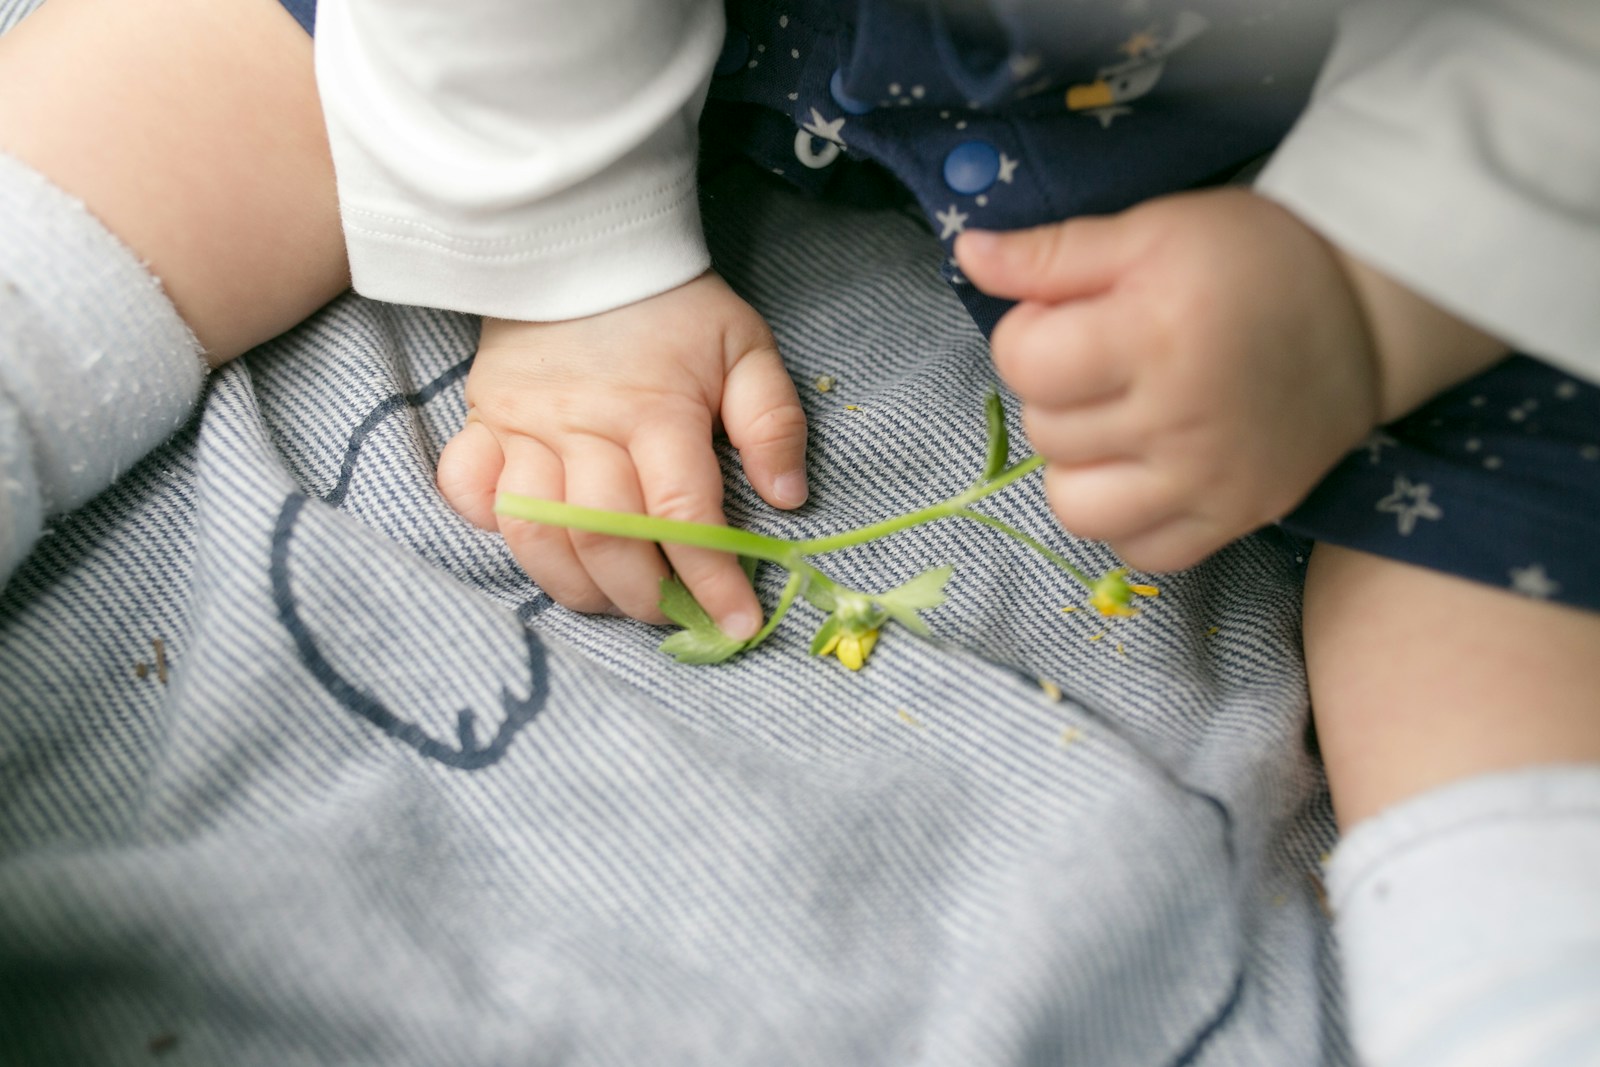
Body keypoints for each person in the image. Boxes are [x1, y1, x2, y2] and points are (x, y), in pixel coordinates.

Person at [1, 0, 1596, 1062]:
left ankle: (1520, 987)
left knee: (1518, 573)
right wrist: (560, 245)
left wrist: (1373, 280)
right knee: (209, 78)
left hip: (1393, 93)